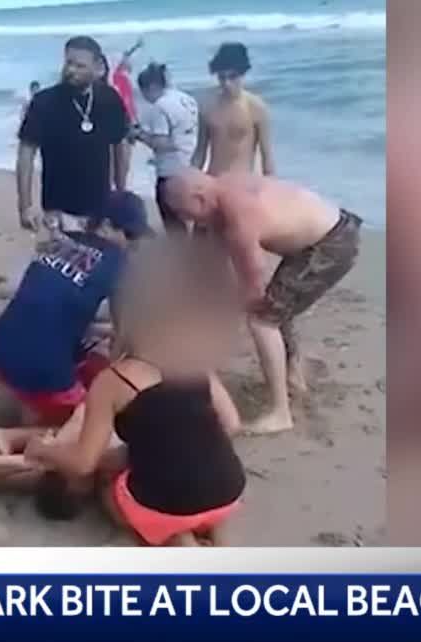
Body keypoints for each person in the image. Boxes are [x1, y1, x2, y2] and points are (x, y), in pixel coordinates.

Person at [24, 245, 246, 546]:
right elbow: (232, 424)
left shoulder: (113, 380)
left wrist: (41, 450)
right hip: (228, 487)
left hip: (167, 498)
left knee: (113, 496)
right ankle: (217, 537)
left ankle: (179, 539)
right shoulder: (194, 358)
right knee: (202, 501)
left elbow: (83, 464)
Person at [163, 169, 361, 434]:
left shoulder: (237, 214)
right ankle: (293, 376)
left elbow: (253, 281)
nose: (191, 222)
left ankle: (281, 413)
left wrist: (228, 312)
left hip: (331, 244)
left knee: (262, 319)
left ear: (198, 199)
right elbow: (214, 268)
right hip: (327, 233)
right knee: (277, 305)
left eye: (188, 215)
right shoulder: (224, 188)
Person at [0, 191, 146, 427]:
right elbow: (122, 335)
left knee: (66, 329)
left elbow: (29, 293)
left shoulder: (61, 240)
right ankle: (32, 421)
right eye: (129, 235)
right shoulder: (118, 263)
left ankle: (31, 400)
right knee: (96, 417)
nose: (131, 244)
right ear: (106, 226)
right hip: (41, 372)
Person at [17, 36, 131, 234]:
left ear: (97, 67)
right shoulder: (44, 102)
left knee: (103, 262)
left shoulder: (109, 99)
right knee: (60, 264)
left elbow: (120, 145)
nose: (71, 70)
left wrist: (120, 193)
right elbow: (26, 153)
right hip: (57, 209)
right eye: (69, 63)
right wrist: (25, 205)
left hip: (100, 207)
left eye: (80, 66)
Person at [132, 62, 200, 237]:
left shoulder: (160, 106)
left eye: (144, 91)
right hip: (190, 164)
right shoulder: (186, 99)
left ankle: (180, 255)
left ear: (152, 87)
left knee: (173, 221)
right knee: (189, 216)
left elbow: (161, 144)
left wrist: (138, 135)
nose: (145, 97)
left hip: (170, 171)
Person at [193, 42, 275, 177]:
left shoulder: (256, 107)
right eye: (222, 77)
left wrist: (271, 189)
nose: (226, 83)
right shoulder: (207, 107)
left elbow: (267, 158)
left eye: (232, 77)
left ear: (243, 74)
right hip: (214, 180)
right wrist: (193, 181)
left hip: (243, 183)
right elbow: (199, 154)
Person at [110, 39, 143, 124]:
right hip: (128, 114)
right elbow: (126, 99)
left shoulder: (120, 75)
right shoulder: (121, 76)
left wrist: (136, 46)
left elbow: (127, 55)